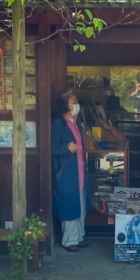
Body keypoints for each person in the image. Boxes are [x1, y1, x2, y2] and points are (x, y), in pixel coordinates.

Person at [52, 91, 91, 252]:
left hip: (79, 170)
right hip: (66, 172)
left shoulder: (77, 121)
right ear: (65, 105)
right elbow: (51, 146)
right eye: (73, 102)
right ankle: (69, 240)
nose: (76, 105)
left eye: (76, 101)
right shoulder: (57, 123)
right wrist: (66, 147)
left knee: (80, 205)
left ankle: (79, 236)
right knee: (69, 206)